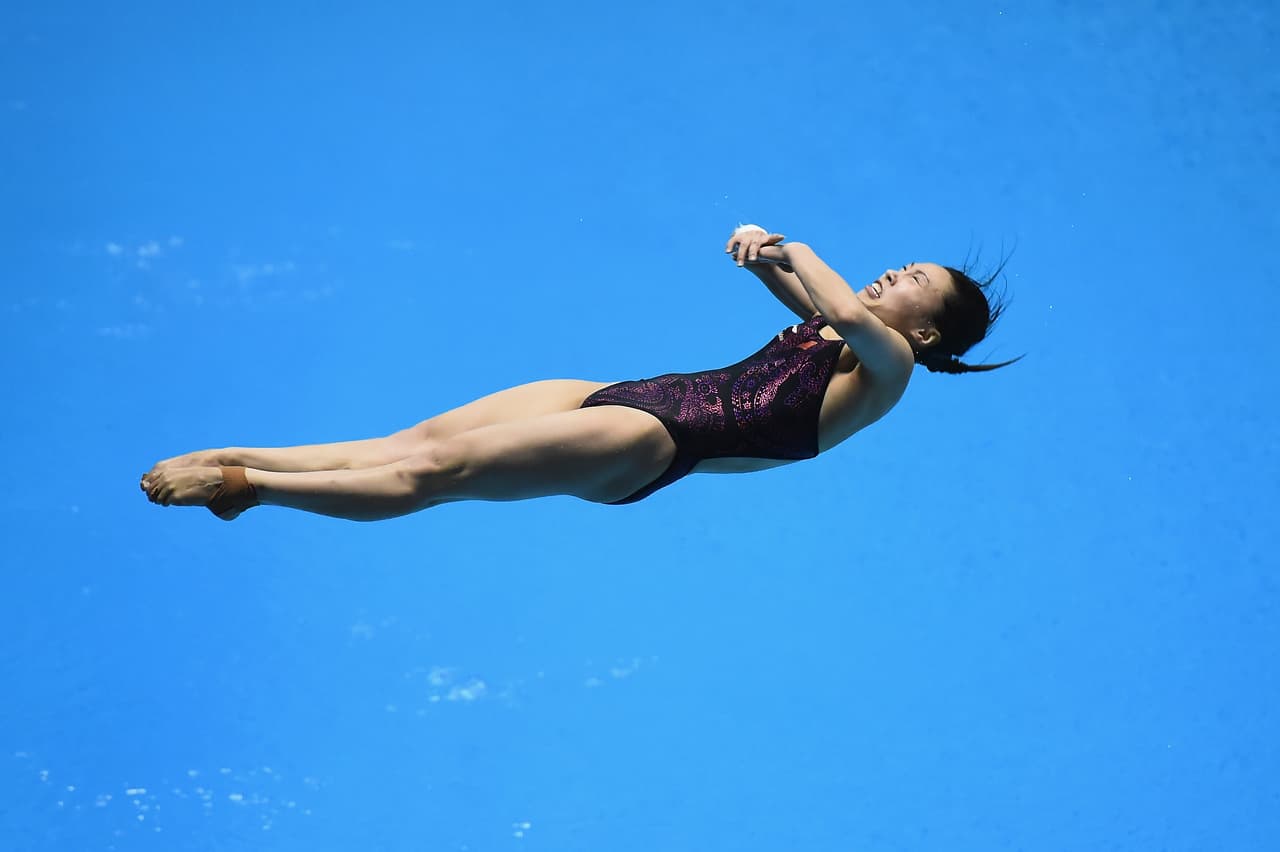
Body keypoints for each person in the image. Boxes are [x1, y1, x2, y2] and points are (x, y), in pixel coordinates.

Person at [140, 225, 1017, 521]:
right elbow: (804, 298)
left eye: (911, 282)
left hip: (654, 441)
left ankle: (250, 487)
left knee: (427, 476)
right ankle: (239, 459)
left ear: (931, 335)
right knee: (409, 439)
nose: (891, 276)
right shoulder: (835, 334)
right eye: (899, 265)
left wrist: (794, 243)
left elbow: (847, 311)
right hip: (626, 395)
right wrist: (757, 256)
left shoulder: (888, 364)